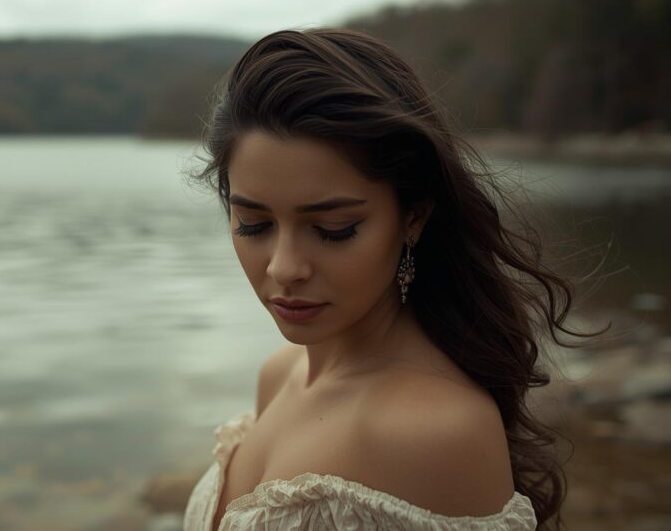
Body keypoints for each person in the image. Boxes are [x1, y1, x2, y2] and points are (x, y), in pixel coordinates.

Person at [181, 28, 604, 530]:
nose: (283, 267)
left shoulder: (439, 430)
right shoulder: (279, 375)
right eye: (254, 223)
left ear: (413, 217)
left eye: (333, 229)